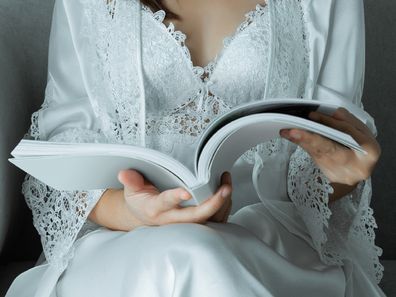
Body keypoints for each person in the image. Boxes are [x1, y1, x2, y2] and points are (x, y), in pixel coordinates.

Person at [5, 0, 386, 296]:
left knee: (200, 259)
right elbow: (62, 146)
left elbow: (329, 155)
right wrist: (133, 211)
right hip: (122, 241)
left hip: (273, 240)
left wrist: (343, 176)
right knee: (187, 256)